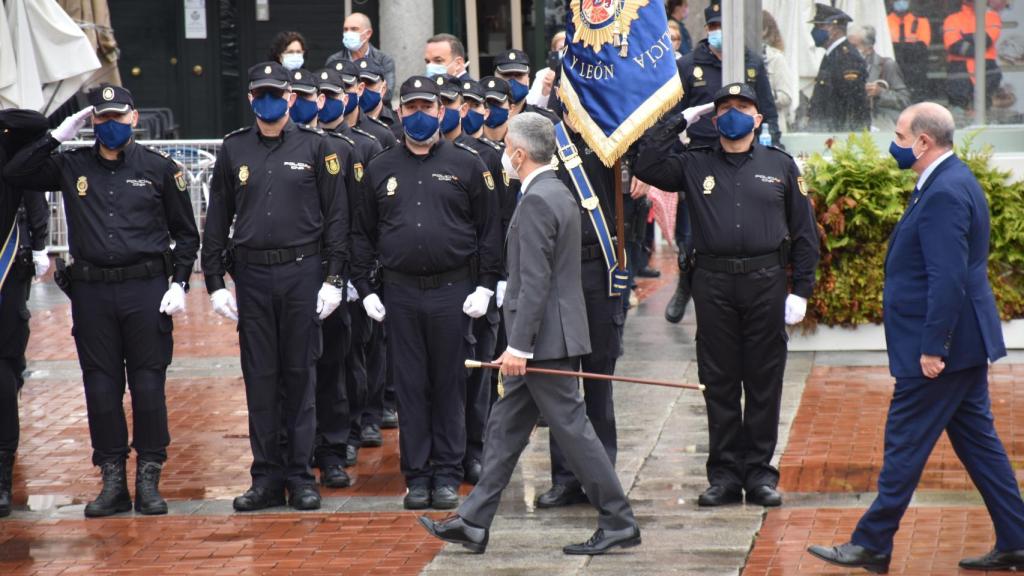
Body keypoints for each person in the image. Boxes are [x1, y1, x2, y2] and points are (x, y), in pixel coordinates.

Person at [807, 102, 1024, 574]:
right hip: (963, 341)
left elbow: (947, 278)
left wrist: (933, 346)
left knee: (905, 441)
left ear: (923, 142)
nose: (895, 142)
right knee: (979, 445)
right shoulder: (949, 180)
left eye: (900, 135)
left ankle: (872, 543)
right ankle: (1017, 539)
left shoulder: (945, 190)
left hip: (945, 346)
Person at [418, 112, 640, 556]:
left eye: (506, 149)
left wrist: (518, 346)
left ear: (518, 154)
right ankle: (473, 521)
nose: (503, 155)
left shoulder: (539, 199)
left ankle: (618, 520)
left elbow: (536, 282)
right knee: (504, 426)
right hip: (545, 336)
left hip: (544, 341)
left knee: (574, 431)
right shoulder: (556, 191)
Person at [3, 86, 200, 518]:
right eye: (101, 118)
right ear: (92, 122)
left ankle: (149, 477)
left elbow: (187, 234)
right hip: (91, 292)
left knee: (148, 386)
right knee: (101, 387)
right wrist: (56, 135)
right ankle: (112, 479)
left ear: (134, 118)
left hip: (145, 289)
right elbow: (16, 172)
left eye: (117, 117)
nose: (109, 125)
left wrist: (179, 284)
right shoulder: (71, 164)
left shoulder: (159, 169)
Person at [633, 83, 819, 508]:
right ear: (714, 119)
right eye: (724, 108)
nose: (733, 113)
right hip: (713, 284)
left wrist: (801, 291)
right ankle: (722, 475)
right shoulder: (694, 163)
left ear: (758, 118)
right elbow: (646, 163)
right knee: (718, 382)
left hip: (766, 281)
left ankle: (758, 475)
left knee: (763, 381)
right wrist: (684, 118)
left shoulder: (781, 166)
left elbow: (805, 235)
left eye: (743, 107)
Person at [202, 62, 348, 512]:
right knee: (261, 379)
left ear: (290, 97)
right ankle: (266, 476)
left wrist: (334, 278)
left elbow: (336, 218)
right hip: (252, 276)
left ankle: (302, 476)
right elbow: (217, 216)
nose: (268, 100)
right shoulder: (233, 150)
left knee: (301, 376)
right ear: (251, 98)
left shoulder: (317, 146)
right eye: (260, 93)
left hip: (301, 273)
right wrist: (213, 282)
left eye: (275, 93)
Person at [351, 76, 501, 511]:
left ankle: (448, 473)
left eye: (427, 107)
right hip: (399, 292)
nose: (419, 115)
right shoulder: (380, 167)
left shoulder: (469, 164)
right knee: (411, 386)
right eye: (410, 107)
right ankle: (417, 475)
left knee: (451, 383)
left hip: (453, 291)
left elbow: (490, 231)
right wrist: (365, 289)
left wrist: (486, 286)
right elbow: (362, 233)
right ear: (400, 112)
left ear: (441, 111)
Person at [663, 0, 783, 326]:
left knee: (741, 222)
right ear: (706, 30)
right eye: (713, 27)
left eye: (723, 28)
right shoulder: (689, 65)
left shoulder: (751, 63)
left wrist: (776, 146)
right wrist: (678, 152)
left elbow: (768, 110)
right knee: (692, 231)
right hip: (701, 157)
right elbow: (673, 116)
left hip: (745, 155)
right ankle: (684, 286)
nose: (718, 33)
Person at [533, 104, 624, 509]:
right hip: (557, 268)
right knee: (560, 377)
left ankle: (601, 475)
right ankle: (566, 477)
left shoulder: (605, 135)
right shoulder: (544, 134)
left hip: (597, 266)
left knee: (598, 379)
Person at [317, 60, 389, 467]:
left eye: (336, 94)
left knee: (360, 350)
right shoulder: (309, 142)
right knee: (329, 358)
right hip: (320, 268)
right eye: (322, 95)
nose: (328, 102)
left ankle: (364, 418)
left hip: (356, 266)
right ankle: (332, 431)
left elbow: (370, 211)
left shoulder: (366, 143)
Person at [436, 75, 507, 485]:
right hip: (443, 281)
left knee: (478, 369)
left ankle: (474, 449)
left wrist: (497, 277)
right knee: (441, 372)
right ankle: (443, 449)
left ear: (464, 109)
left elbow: (500, 221)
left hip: (480, 279)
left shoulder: (487, 157)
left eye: (450, 102)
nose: (443, 108)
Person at [292, 67, 360, 490]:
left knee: (333, 367)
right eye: (293, 94)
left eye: (307, 95)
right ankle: (294, 452)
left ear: (321, 101)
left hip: (328, 274)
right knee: (293, 372)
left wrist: (344, 276)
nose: (300, 101)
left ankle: (332, 451)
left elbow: (350, 218)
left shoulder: (340, 149)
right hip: (289, 273)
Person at [0, 108, 51, 518]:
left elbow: (35, 127)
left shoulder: (9, 138)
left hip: (5, 275)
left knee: (4, 371)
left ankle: (2, 474)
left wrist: (39, 245)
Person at [807, 3, 870, 132]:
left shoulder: (847, 58)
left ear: (834, 29)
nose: (815, 30)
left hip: (840, 134)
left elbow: (852, 104)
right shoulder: (831, 55)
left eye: (820, 26)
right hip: (827, 132)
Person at [848, 25, 912, 131]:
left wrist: (880, 93)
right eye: (848, 46)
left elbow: (905, 100)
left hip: (879, 126)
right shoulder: (844, 66)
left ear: (869, 48)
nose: (849, 51)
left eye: (854, 47)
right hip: (852, 125)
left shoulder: (886, 65)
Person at [326, 12, 396, 106]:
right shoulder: (334, 61)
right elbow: (329, 93)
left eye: (354, 29)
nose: (348, 33)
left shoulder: (384, 60)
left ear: (368, 33)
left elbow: (387, 94)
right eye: (346, 29)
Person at [943, 0, 1003, 110]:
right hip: (959, 69)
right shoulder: (952, 19)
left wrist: (964, 37)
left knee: (984, 109)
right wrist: (977, 44)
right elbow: (953, 46)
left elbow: (987, 40)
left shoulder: (992, 17)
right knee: (958, 109)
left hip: (987, 68)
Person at [493, 49, 560, 123]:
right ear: (495, 78)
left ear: (528, 80)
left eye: (518, 75)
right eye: (506, 75)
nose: (512, 81)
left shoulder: (547, 120)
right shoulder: (484, 118)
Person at [887, 0, 932, 101]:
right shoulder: (884, 22)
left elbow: (923, 47)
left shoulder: (921, 21)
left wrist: (898, 48)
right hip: (893, 67)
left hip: (914, 69)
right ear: (890, 1)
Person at [354, 59, 401, 147]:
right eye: (359, 84)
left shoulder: (400, 123)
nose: (363, 89)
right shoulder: (343, 124)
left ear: (383, 88)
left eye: (369, 83)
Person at [762, 10, 795, 133]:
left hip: (771, 127)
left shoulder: (775, 58)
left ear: (764, 31)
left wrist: (762, 94)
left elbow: (786, 96)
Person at [526, 31, 566, 109]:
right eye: (561, 48)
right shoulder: (543, 75)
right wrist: (545, 92)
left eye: (568, 48)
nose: (565, 52)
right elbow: (531, 107)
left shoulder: (581, 74)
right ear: (554, 52)